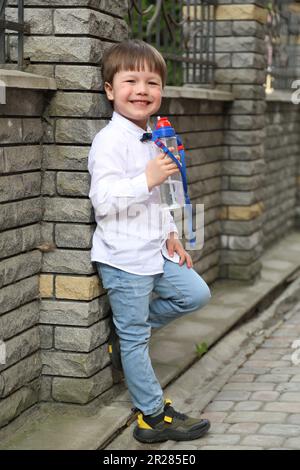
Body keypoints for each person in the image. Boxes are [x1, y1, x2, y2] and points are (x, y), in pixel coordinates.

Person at [88, 39, 212, 444]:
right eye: (131, 80)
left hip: (155, 251)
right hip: (124, 257)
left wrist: (173, 235)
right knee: (137, 337)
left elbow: (161, 198)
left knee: (195, 294)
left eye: (152, 82)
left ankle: (124, 339)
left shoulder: (155, 135)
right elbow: (103, 202)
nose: (142, 89)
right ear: (110, 89)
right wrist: (147, 178)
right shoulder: (109, 141)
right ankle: (152, 416)